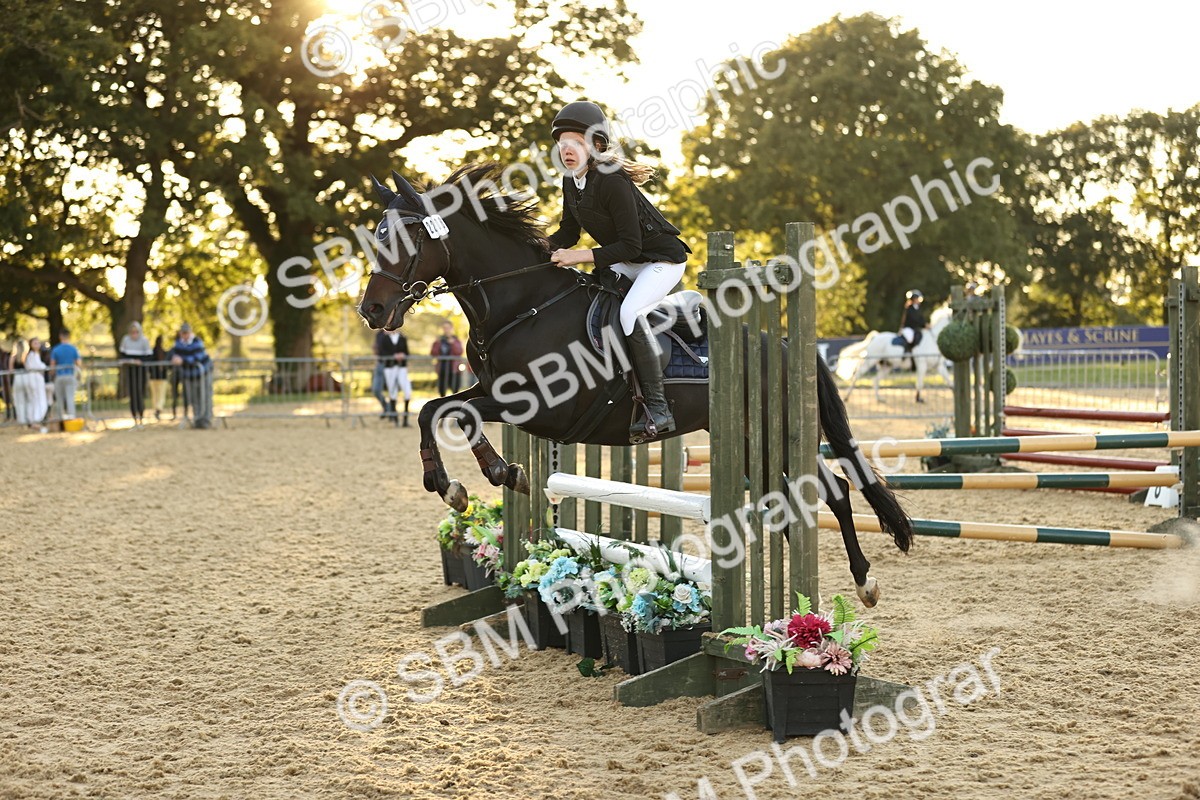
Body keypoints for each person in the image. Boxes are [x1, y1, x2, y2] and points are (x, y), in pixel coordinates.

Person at [546, 100, 692, 442]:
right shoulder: (571, 182)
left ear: (596, 145)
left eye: (576, 143)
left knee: (628, 314)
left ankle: (657, 408)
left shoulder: (611, 181)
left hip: (660, 261)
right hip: (625, 260)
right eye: (562, 143)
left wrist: (579, 256)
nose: (568, 150)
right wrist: (536, 247)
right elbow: (567, 234)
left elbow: (632, 246)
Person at [170, 323, 213, 429]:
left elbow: (197, 357)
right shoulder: (178, 344)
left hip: (203, 374)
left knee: (205, 397)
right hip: (190, 376)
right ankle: (197, 419)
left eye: (186, 333)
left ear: (190, 332)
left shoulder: (197, 342)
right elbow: (173, 355)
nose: (185, 335)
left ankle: (206, 419)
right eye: (183, 333)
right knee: (194, 398)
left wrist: (183, 360)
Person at [118, 321, 153, 428]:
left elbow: (149, 356)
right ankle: (134, 418)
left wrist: (140, 361)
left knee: (140, 394)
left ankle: (141, 416)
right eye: (132, 332)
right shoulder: (126, 340)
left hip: (140, 371)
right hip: (130, 371)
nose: (134, 334)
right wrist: (131, 361)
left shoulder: (144, 341)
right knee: (132, 394)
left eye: (136, 332)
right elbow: (122, 355)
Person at [12, 338, 49, 433]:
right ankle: (34, 422)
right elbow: (37, 367)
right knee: (36, 401)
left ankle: (26, 421)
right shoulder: (30, 355)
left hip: (24, 379)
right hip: (31, 379)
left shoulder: (26, 356)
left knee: (28, 401)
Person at [378, 329, 411, 427]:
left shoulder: (402, 338)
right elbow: (381, 353)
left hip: (401, 367)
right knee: (392, 391)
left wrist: (403, 355)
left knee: (407, 391)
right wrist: (393, 356)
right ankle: (395, 418)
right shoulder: (384, 338)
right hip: (390, 368)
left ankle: (405, 419)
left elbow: (407, 351)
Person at [49, 328, 82, 421]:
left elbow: (52, 365)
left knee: (59, 399)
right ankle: (71, 418)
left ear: (60, 337)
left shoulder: (56, 349)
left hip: (59, 376)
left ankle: (60, 419)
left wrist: (52, 375)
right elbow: (78, 363)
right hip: (70, 375)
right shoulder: (73, 349)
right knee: (70, 398)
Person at [431, 321, 464, 397]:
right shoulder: (440, 340)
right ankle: (443, 406)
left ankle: (455, 405)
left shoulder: (456, 340)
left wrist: (453, 343)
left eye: (448, 328)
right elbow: (433, 353)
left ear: (451, 328)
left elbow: (459, 352)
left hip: (453, 369)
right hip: (442, 368)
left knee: (455, 389)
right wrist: (436, 343)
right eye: (444, 328)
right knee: (442, 389)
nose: (446, 330)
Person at [899, 290, 927, 364]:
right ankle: (906, 354)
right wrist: (923, 325)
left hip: (915, 329)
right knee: (910, 338)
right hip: (908, 328)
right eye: (917, 298)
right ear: (914, 299)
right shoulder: (909, 308)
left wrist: (925, 324)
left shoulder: (918, 308)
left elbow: (921, 319)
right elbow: (914, 319)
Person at [148, 334, 170, 421]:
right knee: (160, 395)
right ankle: (158, 409)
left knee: (155, 395)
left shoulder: (153, 352)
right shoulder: (163, 353)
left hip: (154, 377)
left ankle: (157, 408)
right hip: (160, 377)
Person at [370, 330, 390, 419]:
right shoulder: (379, 334)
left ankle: (392, 412)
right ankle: (387, 407)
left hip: (392, 366)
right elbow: (376, 348)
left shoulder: (396, 334)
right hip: (380, 364)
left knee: (393, 391)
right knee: (376, 390)